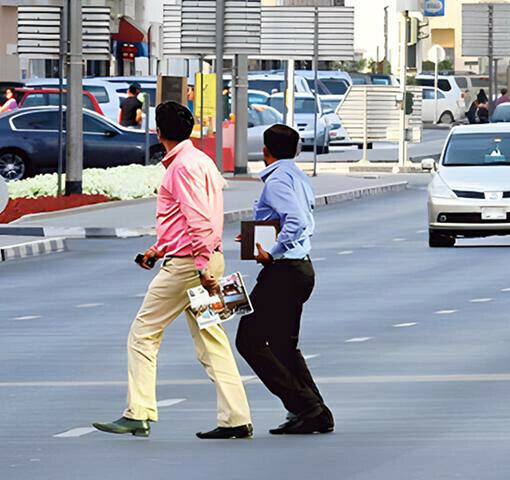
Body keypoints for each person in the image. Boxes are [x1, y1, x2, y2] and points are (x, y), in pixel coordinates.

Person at [93, 101, 253, 440]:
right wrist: (158, 249)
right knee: (212, 342)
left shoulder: (180, 168)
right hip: (202, 258)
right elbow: (193, 218)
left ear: (158, 131)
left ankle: (138, 412)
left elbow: (198, 219)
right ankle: (236, 417)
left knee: (143, 333)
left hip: (188, 267)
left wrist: (200, 266)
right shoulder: (201, 161)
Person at [235, 124, 334, 435]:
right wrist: (259, 233)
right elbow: (292, 218)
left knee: (249, 340)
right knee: (282, 345)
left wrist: (273, 252)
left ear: (265, 152)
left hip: (284, 270)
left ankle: (305, 406)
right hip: (299, 268)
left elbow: (296, 220)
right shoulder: (297, 176)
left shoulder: (277, 180)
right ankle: (314, 412)